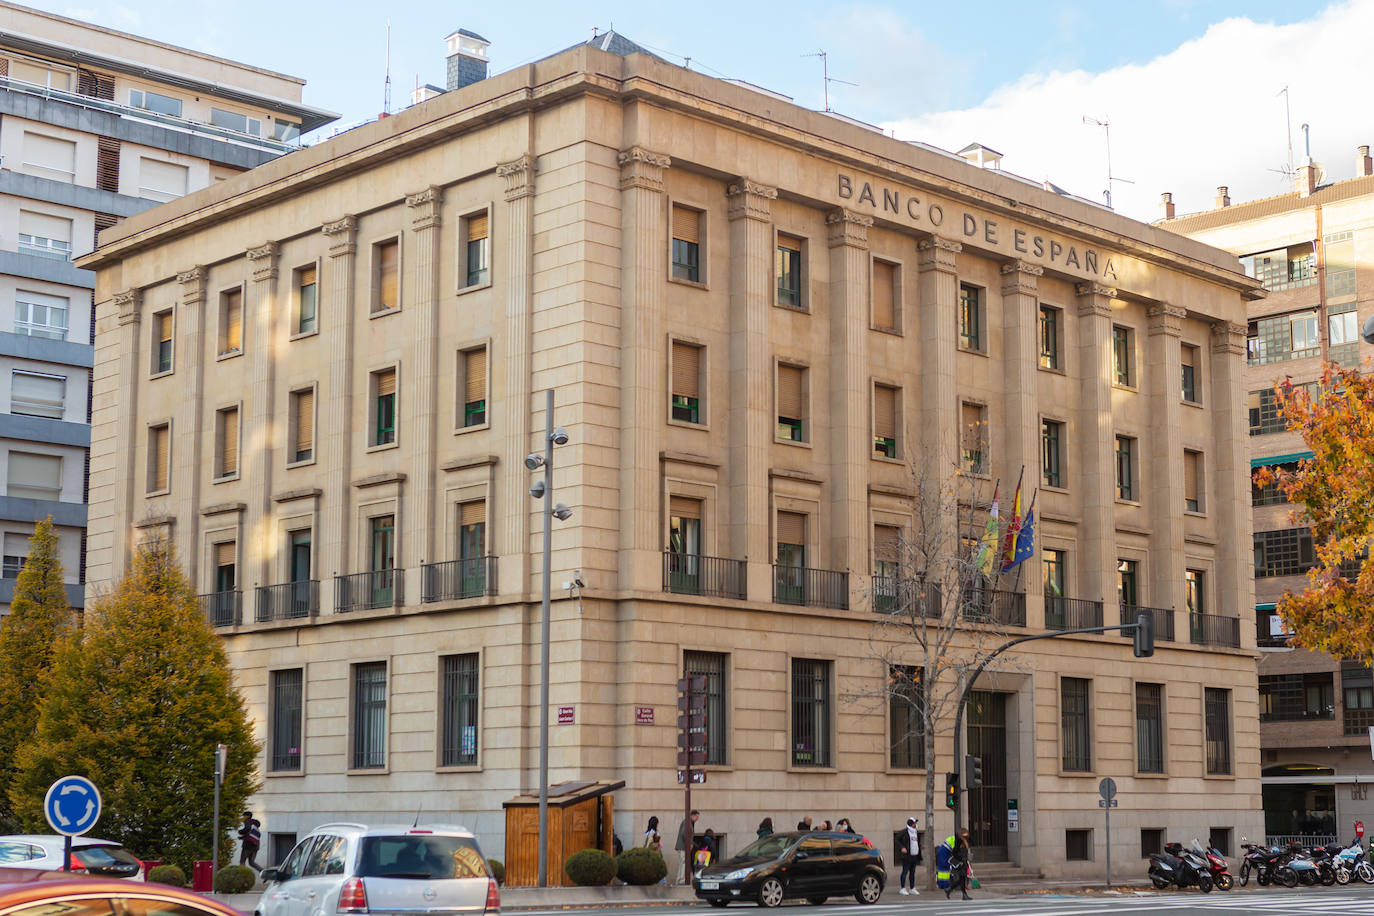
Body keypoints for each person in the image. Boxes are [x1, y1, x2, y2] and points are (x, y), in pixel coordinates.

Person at [942, 829, 972, 900]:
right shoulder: (958, 841)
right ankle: (963, 894)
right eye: (964, 833)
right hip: (960, 863)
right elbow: (954, 852)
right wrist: (960, 860)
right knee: (962, 879)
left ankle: (950, 889)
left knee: (962, 879)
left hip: (963, 861)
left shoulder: (965, 841)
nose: (966, 834)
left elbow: (972, 840)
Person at [897, 817, 921, 895]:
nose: (916, 824)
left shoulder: (915, 832)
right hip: (907, 856)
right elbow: (896, 839)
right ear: (911, 824)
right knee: (905, 872)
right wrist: (902, 847)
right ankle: (902, 888)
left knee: (912, 873)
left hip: (914, 855)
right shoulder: (905, 832)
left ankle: (912, 888)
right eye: (914, 823)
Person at [675, 809, 699, 885]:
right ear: (693, 816)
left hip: (682, 846)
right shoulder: (687, 822)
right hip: (683, 847)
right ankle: (681, 880)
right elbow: (684, 834)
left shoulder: (688, 822)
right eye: (697, 817)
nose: (697, 819)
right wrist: (690, 844)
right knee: (683, 863)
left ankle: (679, 880)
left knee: (682, 863)